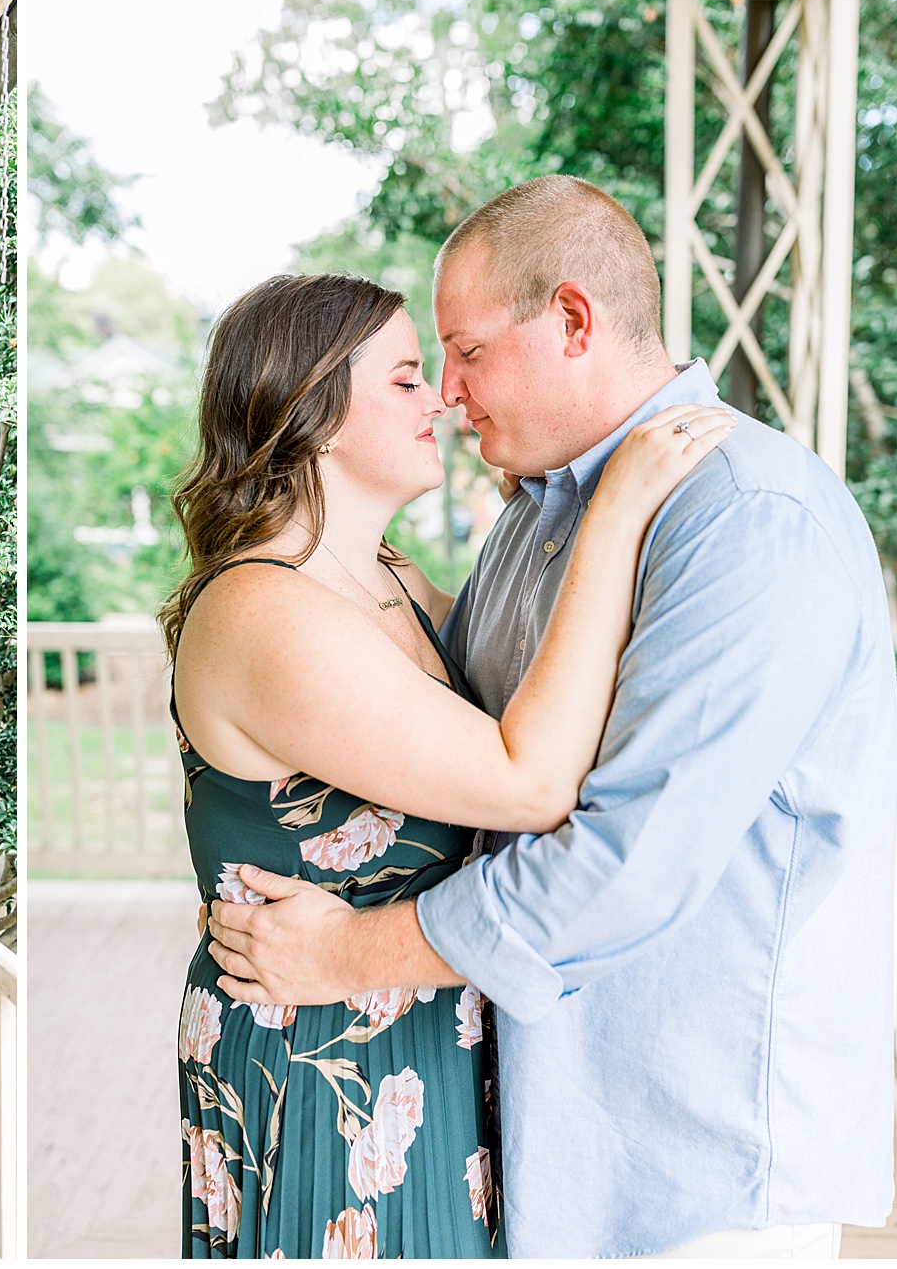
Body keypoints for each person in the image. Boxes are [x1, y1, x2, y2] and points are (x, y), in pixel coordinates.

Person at [205, 176, 897, 1259]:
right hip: (541, 1139)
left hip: (692, 1169)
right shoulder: (534, 518)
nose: (449, 389)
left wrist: (343, 955)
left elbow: (626, 861)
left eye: (466, 352)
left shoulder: (745, 518)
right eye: (422, 367)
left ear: (572, 319)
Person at [167, 268, 731, 1258]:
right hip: (319, 1055)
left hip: (425, 1031)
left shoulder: (388, 580)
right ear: (313, 414)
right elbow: (527, 779)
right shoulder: (265, 611)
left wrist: (553, 510)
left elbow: (544, 692)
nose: (440, 398)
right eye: (405, 379)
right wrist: (613, 512)